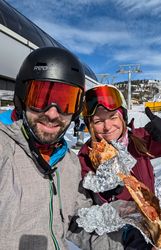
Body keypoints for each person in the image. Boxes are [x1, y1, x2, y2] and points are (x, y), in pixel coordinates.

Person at [0, 48, 124, 250]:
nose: (52, 113)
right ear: (22, 98)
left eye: (65, 102)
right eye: (40, 99)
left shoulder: (69, 162)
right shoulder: (5, 148)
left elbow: (77, 222)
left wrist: (125, 241)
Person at [78, 84, 161, 249]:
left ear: (123, 117)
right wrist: (106, 194)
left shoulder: (138, 140)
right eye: (98, 121)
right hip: (123, 233)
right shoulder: (85, 157)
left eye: (113, 117)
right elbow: (86, 206)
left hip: (154, 217)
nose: (107, 126)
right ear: (89, 125)